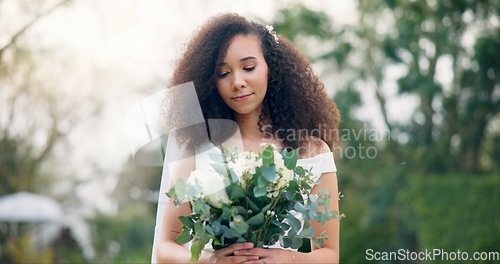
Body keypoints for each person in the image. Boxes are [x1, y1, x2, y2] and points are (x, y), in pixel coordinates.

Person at [154, 13, 341, 263]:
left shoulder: (313, 151)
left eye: (248, 67)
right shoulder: (198, 149)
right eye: (223, 73)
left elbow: (329, 253)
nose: (237, 82)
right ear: (210, 82)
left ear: (271, 68)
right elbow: (165, 247)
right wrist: (210, 260)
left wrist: (288, 259)